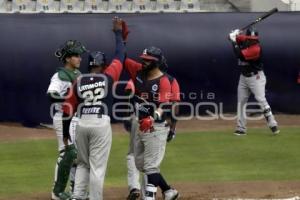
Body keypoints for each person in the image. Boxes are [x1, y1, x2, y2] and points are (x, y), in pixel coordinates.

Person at [62, 17, 126, 200]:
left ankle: (77, 196)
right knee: (97, 167)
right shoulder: (108, 76)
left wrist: (66, 133)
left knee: (82, 164)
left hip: (82, 124)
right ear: (103, 65)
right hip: (100, 123)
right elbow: (120, 55)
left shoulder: (78, 81)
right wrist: (118, 33)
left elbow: (67, 110)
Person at [124, 46, 180, 200]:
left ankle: (149, 197)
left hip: (156, 126)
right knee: (141, 165)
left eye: (148, 60)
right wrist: (120, 38)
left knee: (150, 167)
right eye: (143, 59)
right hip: (140, 124)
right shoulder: (139, 73)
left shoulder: (166, 81)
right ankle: (168, 191)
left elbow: (168, 105)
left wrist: (171, 128)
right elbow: (122, 58)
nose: (143, 61)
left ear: (157, 62)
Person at [47, 39, 86, 200]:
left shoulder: (79, 74)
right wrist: (69, 99)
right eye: (76, 55)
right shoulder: (60, 75)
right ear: (68, 58)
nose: (80, 58)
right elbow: (51, 94)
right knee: (67, 153)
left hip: (77, 118)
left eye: (79, 55)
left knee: (77, 156)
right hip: (63, 117)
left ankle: (76, 191)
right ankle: (57, 192)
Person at [229, 27, 280, 135]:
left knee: (261, 100)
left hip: (256, 77)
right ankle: (241, 128)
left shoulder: (256, 48)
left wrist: (233, 40)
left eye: (254, 38)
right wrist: (234, 34)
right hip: (243, 77)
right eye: (250, 38)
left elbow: (240, 55)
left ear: (257, 38)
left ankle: (272, 123)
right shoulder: (244, 39)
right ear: (247, 37)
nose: (252, 40)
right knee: (241, 102)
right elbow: (232, 38)